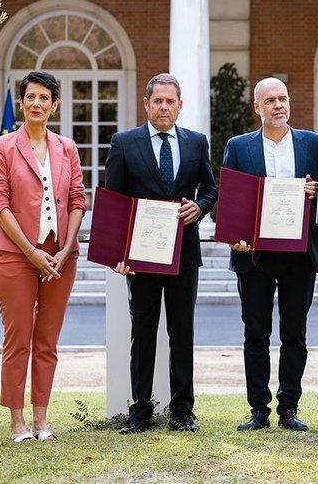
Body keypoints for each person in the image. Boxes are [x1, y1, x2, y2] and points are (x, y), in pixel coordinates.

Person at [104, 73, 217, 434]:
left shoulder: (197, 143)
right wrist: (117, 253)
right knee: (144, 332)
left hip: (184, 253)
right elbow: (114, 202)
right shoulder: (124, 143)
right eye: (158, 101)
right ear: (147, 104)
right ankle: (140, 412)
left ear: (180, 106)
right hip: (142, 255)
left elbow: (211, 190)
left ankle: (183, 411)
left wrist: (199, 208)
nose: (164, 107)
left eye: (171, 101)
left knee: (183, 333)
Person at [222, 77, 318, 432]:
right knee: (255, 333)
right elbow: (231, 198)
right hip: (255, 255)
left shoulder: (314, 145)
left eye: (283, 98)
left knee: (295, 334)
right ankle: (258, 410)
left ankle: (288, 408)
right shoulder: (238, 147)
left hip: (299, 254)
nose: (278, 105)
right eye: (270, 101)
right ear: (257, 108)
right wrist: (235, 237)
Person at [0, 71, 86, 442]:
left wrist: (63, 250)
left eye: (44, 98)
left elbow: (78, 199)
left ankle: (42, 421)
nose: (36, 104)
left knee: (47, 341)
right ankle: (17, 424)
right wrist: (32, 252)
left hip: (61, 257)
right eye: (30, 97)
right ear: (23, 102)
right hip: (15, 256)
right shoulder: (3, 147)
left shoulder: (68, 148)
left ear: (54, 105)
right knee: (19, 340)